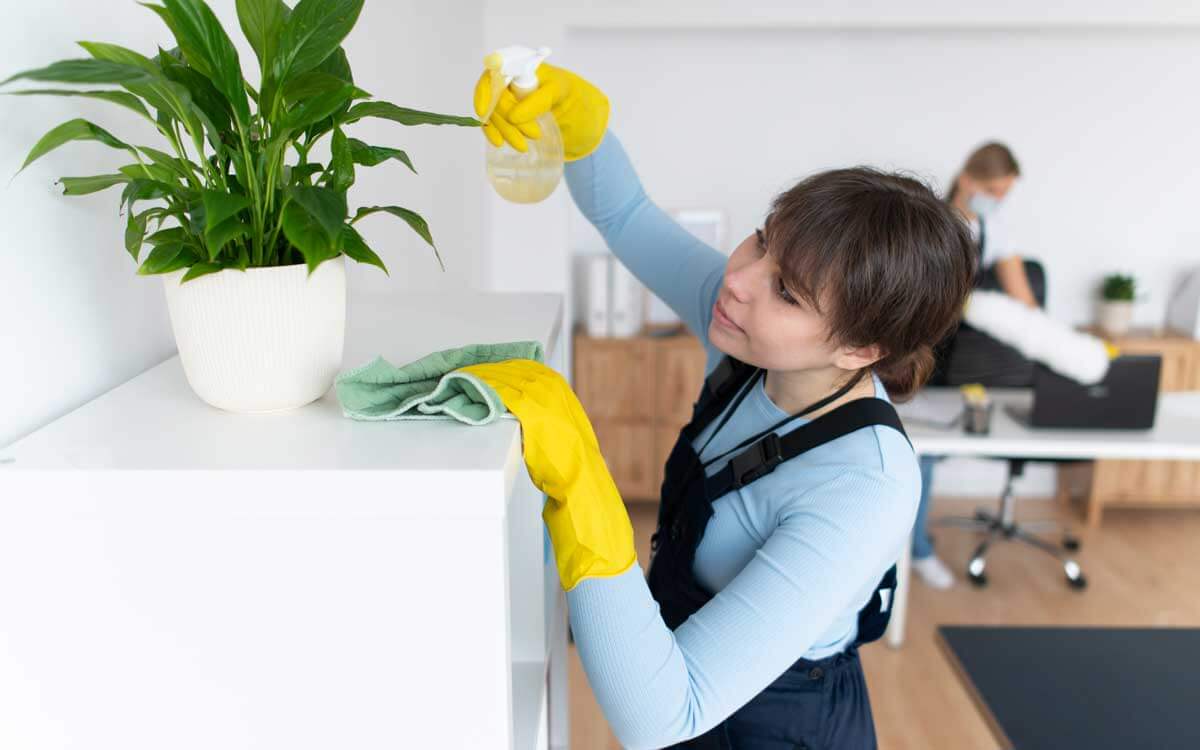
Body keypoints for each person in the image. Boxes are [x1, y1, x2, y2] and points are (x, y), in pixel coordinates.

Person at [473, 63, 975, 749]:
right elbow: (627, 216)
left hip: (776, 725)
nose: (738, 279)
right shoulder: (750, 338)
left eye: (787, 292)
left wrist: (581, 484)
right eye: (762, 241)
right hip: (682, 684)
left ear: (861, 349)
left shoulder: (866, 485)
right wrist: (579, 129)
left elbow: (660, 717)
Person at [912, 142, 1029, 590]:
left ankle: (913, 542)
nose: (998, 201)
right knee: (918, 452)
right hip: (916, 350)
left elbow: (1024, 301)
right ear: (967, 180)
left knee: (933, 450)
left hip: (958, 361)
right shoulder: (930, 223)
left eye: (1004, 194)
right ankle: (916, 550)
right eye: (993, 191)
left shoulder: (992, 230)